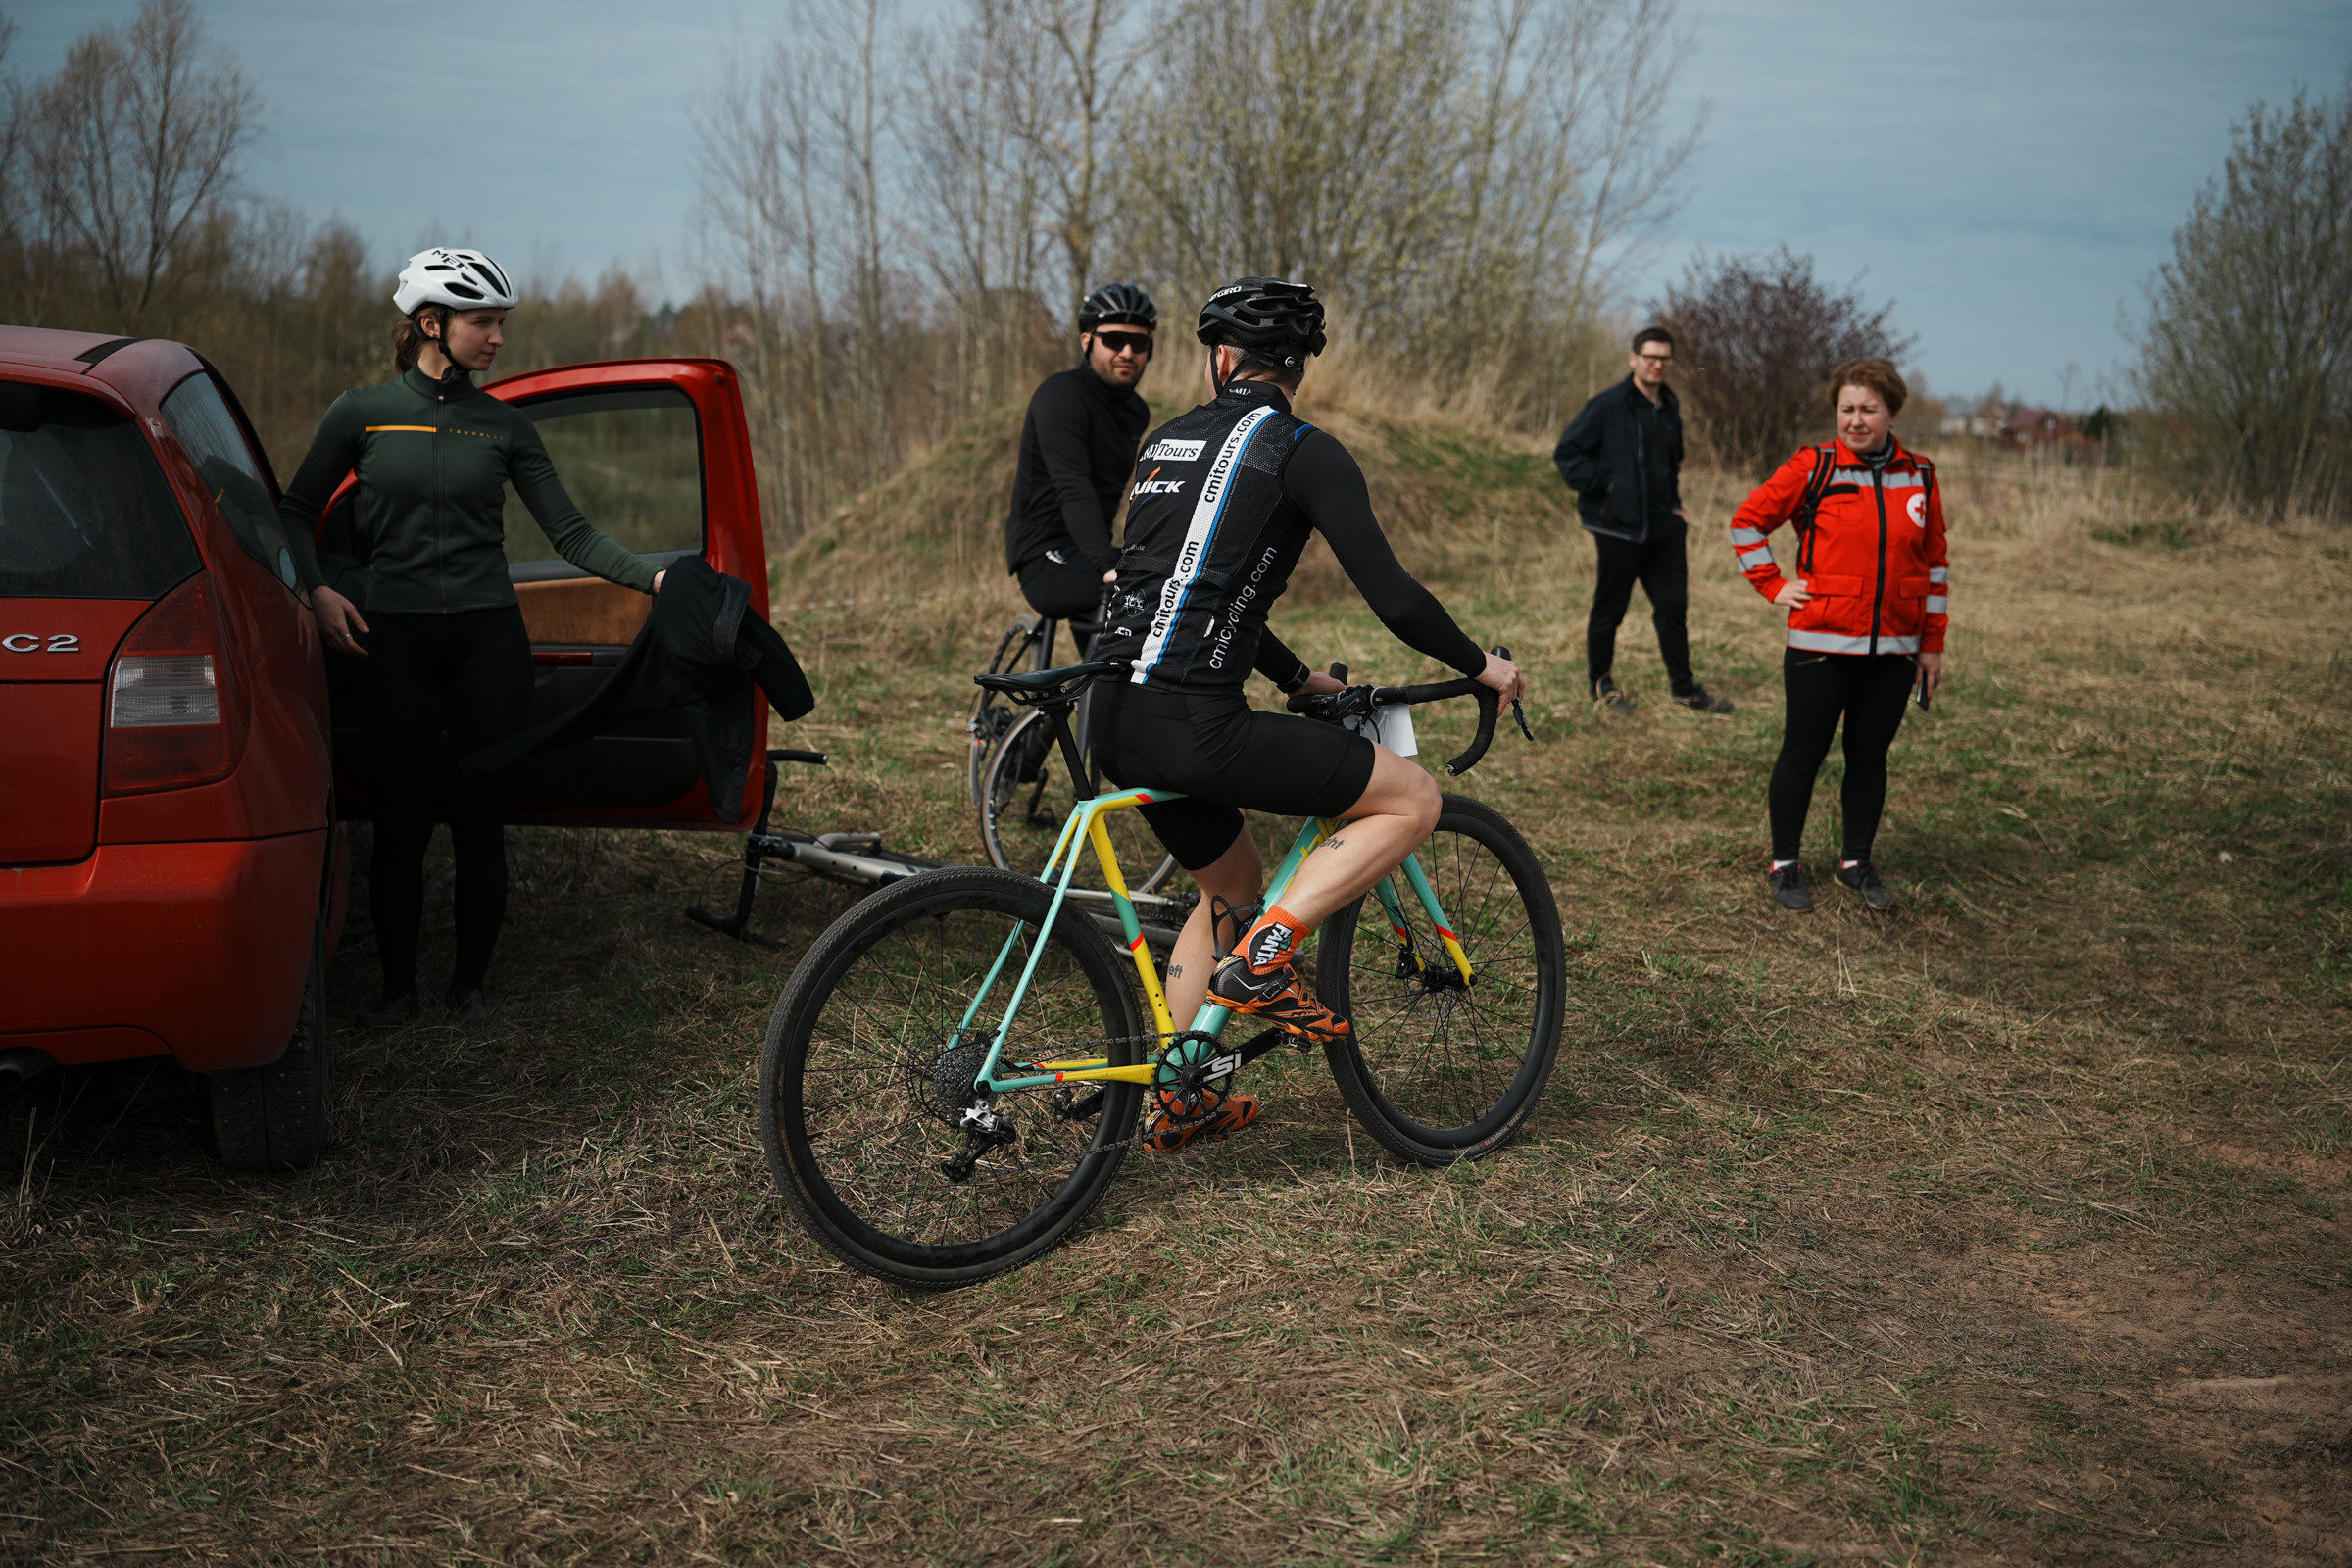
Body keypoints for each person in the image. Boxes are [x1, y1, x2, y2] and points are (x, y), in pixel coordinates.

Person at [1092, 277, 1526, 1151]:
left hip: (1110, 716)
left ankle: (1179, 1096)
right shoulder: (1301, 447)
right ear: (1299, 368)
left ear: (1221, 360)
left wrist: (1294, 677)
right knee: (1412, 800)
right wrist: (1482, 665)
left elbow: (1188, 586)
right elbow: (1394, 597)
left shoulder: (1167, 438)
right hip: (1194, 723)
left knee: (1229, 885)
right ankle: (1265, 959)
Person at [279, 247, 670, 1025]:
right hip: (394, 643)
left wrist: (662, 581)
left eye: (499, 322)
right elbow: (294, 512)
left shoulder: (504, 426)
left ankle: (470, 989)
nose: (497, 338)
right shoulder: (359, 414)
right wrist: (317, 590)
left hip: (489, 643)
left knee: (480, 817)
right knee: (400, 821)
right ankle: (398, 992)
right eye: (483, 322)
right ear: (432, 323)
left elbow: (572, 536)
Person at [1727, 358, 1947, 913]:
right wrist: (1772, 585)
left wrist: (1932, 643)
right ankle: (1785, 865)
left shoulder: (1920, 474)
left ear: (1892, 412)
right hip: (1818, 645)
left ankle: (1856, 863)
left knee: (1870, 759)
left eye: (1868, 409)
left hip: (1896, 650)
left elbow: (1935, 563)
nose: (1855, 419)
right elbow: (1747, 521)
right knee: (1802, 755)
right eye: (1847, 408)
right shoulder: (1814, 466)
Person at [1551, 326, 1732, 715]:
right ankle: (1602, 689)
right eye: (1650, 357)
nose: (1657, 364)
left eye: (1664, 358)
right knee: (1609, 611)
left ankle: (1684, 689)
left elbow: (1671, 464)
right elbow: (1567, 454)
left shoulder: (1669, 406)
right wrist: (1609, 486)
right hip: (1618, 528)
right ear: (1633, 358)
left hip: (1663, 528)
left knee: (1673, 608)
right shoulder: (1608, 405)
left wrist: (1677, 506)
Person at [1003, 282, 1156, 649]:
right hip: (1044, 555)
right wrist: (1107, 564)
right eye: (1115, 340)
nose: (1127, 352)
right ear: (1087, 340)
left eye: (1139, 343)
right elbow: (1072, 485)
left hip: (1091, 550)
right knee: (1147, 590)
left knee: (1164, 582)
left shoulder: (1136, 411)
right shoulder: (1061, 397)